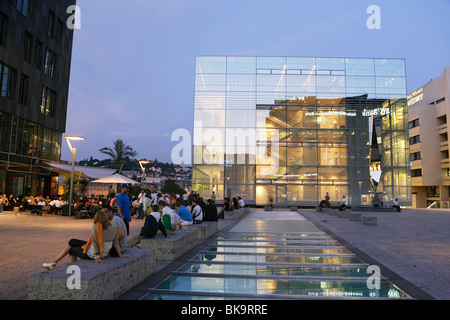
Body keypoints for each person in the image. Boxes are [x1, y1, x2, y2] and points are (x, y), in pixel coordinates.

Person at [42, 210, 130, 269]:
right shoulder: (112, 227)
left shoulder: (97, 227)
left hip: (93, 254)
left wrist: (97, 257)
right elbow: (115, 243)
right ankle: (54, 262)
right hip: (105, 252)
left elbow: (95, 243)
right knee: (72, 241)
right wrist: (120, 255)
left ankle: (66, 268)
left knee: (71, 250)